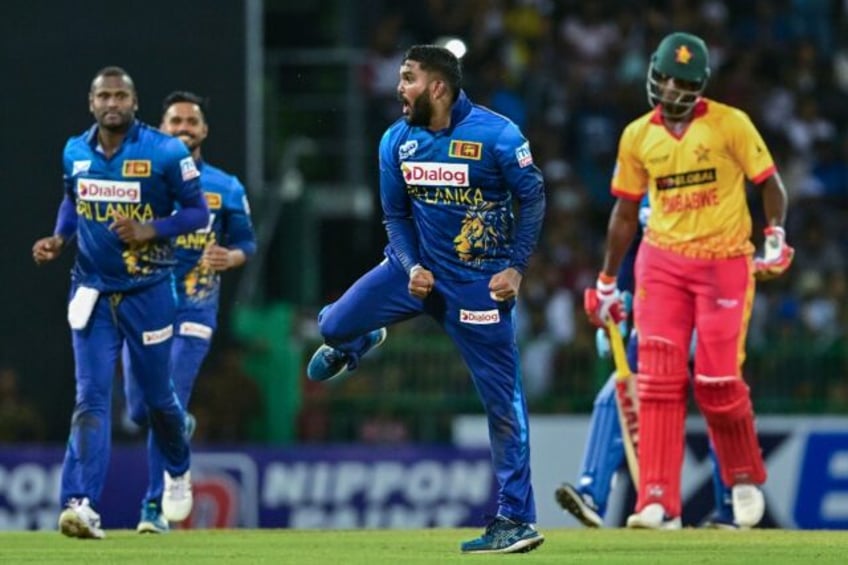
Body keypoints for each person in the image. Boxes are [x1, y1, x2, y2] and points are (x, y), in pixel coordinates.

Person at [306, 45, 546, 554]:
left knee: (502, 402)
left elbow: (533, 196)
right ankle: (363, 337)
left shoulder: (499, 135)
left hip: (477, 283)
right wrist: (412, 266)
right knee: (330, 328)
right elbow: (394, 217)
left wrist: (516, 267)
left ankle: (516, 520)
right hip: (410, 271)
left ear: (438, 87)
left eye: (409, 78)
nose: (399, 88)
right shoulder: (396, 140)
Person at [584, 32, 794, 530]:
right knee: (657, 380)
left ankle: (743, 477)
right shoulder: (637, 135)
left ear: (700, 86)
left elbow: (771, 184)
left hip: (724, 261)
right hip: (661, 262)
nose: (671, 91)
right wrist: (609, 279)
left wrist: (776, 235)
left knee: (718, 379)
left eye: (683, 83)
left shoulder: (729, 124)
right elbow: (624, 210)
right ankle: (656, 500)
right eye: (664, 79)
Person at [32, 67, 208, 539]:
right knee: (89, 398)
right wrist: (59, 238)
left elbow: (198, 212)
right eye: (104, 95)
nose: (112, 103)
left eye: (121, 95)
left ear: (134, 102)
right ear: (91, 103)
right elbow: (73, 199)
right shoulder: (74, 150)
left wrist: (151, 229)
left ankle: (178, 465)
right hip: (91, 291)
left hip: (149, 292)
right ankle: (81, 503)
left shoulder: (166, 151)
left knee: (156, 400)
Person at [557, 199, 738, 529]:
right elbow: (635, 245)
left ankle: (732, 507)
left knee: (719, 401)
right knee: (617, 391)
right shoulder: (643, 178)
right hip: (658, 309)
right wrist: (619, 298)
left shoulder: (706, 174)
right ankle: (592, 495)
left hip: (708, 303)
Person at [123, 91, 257, 533]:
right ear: (162, 130)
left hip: (196, 308)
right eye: (175, 121)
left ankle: (153, 508)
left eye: (191, 122)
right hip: (143, 307)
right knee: (140, 411)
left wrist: (230, 258)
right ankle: (178, 423)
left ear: (203, 131)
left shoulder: (226, 186)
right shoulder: (140, 182)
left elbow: (246, 244)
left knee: (166, 402)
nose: (183, 128)